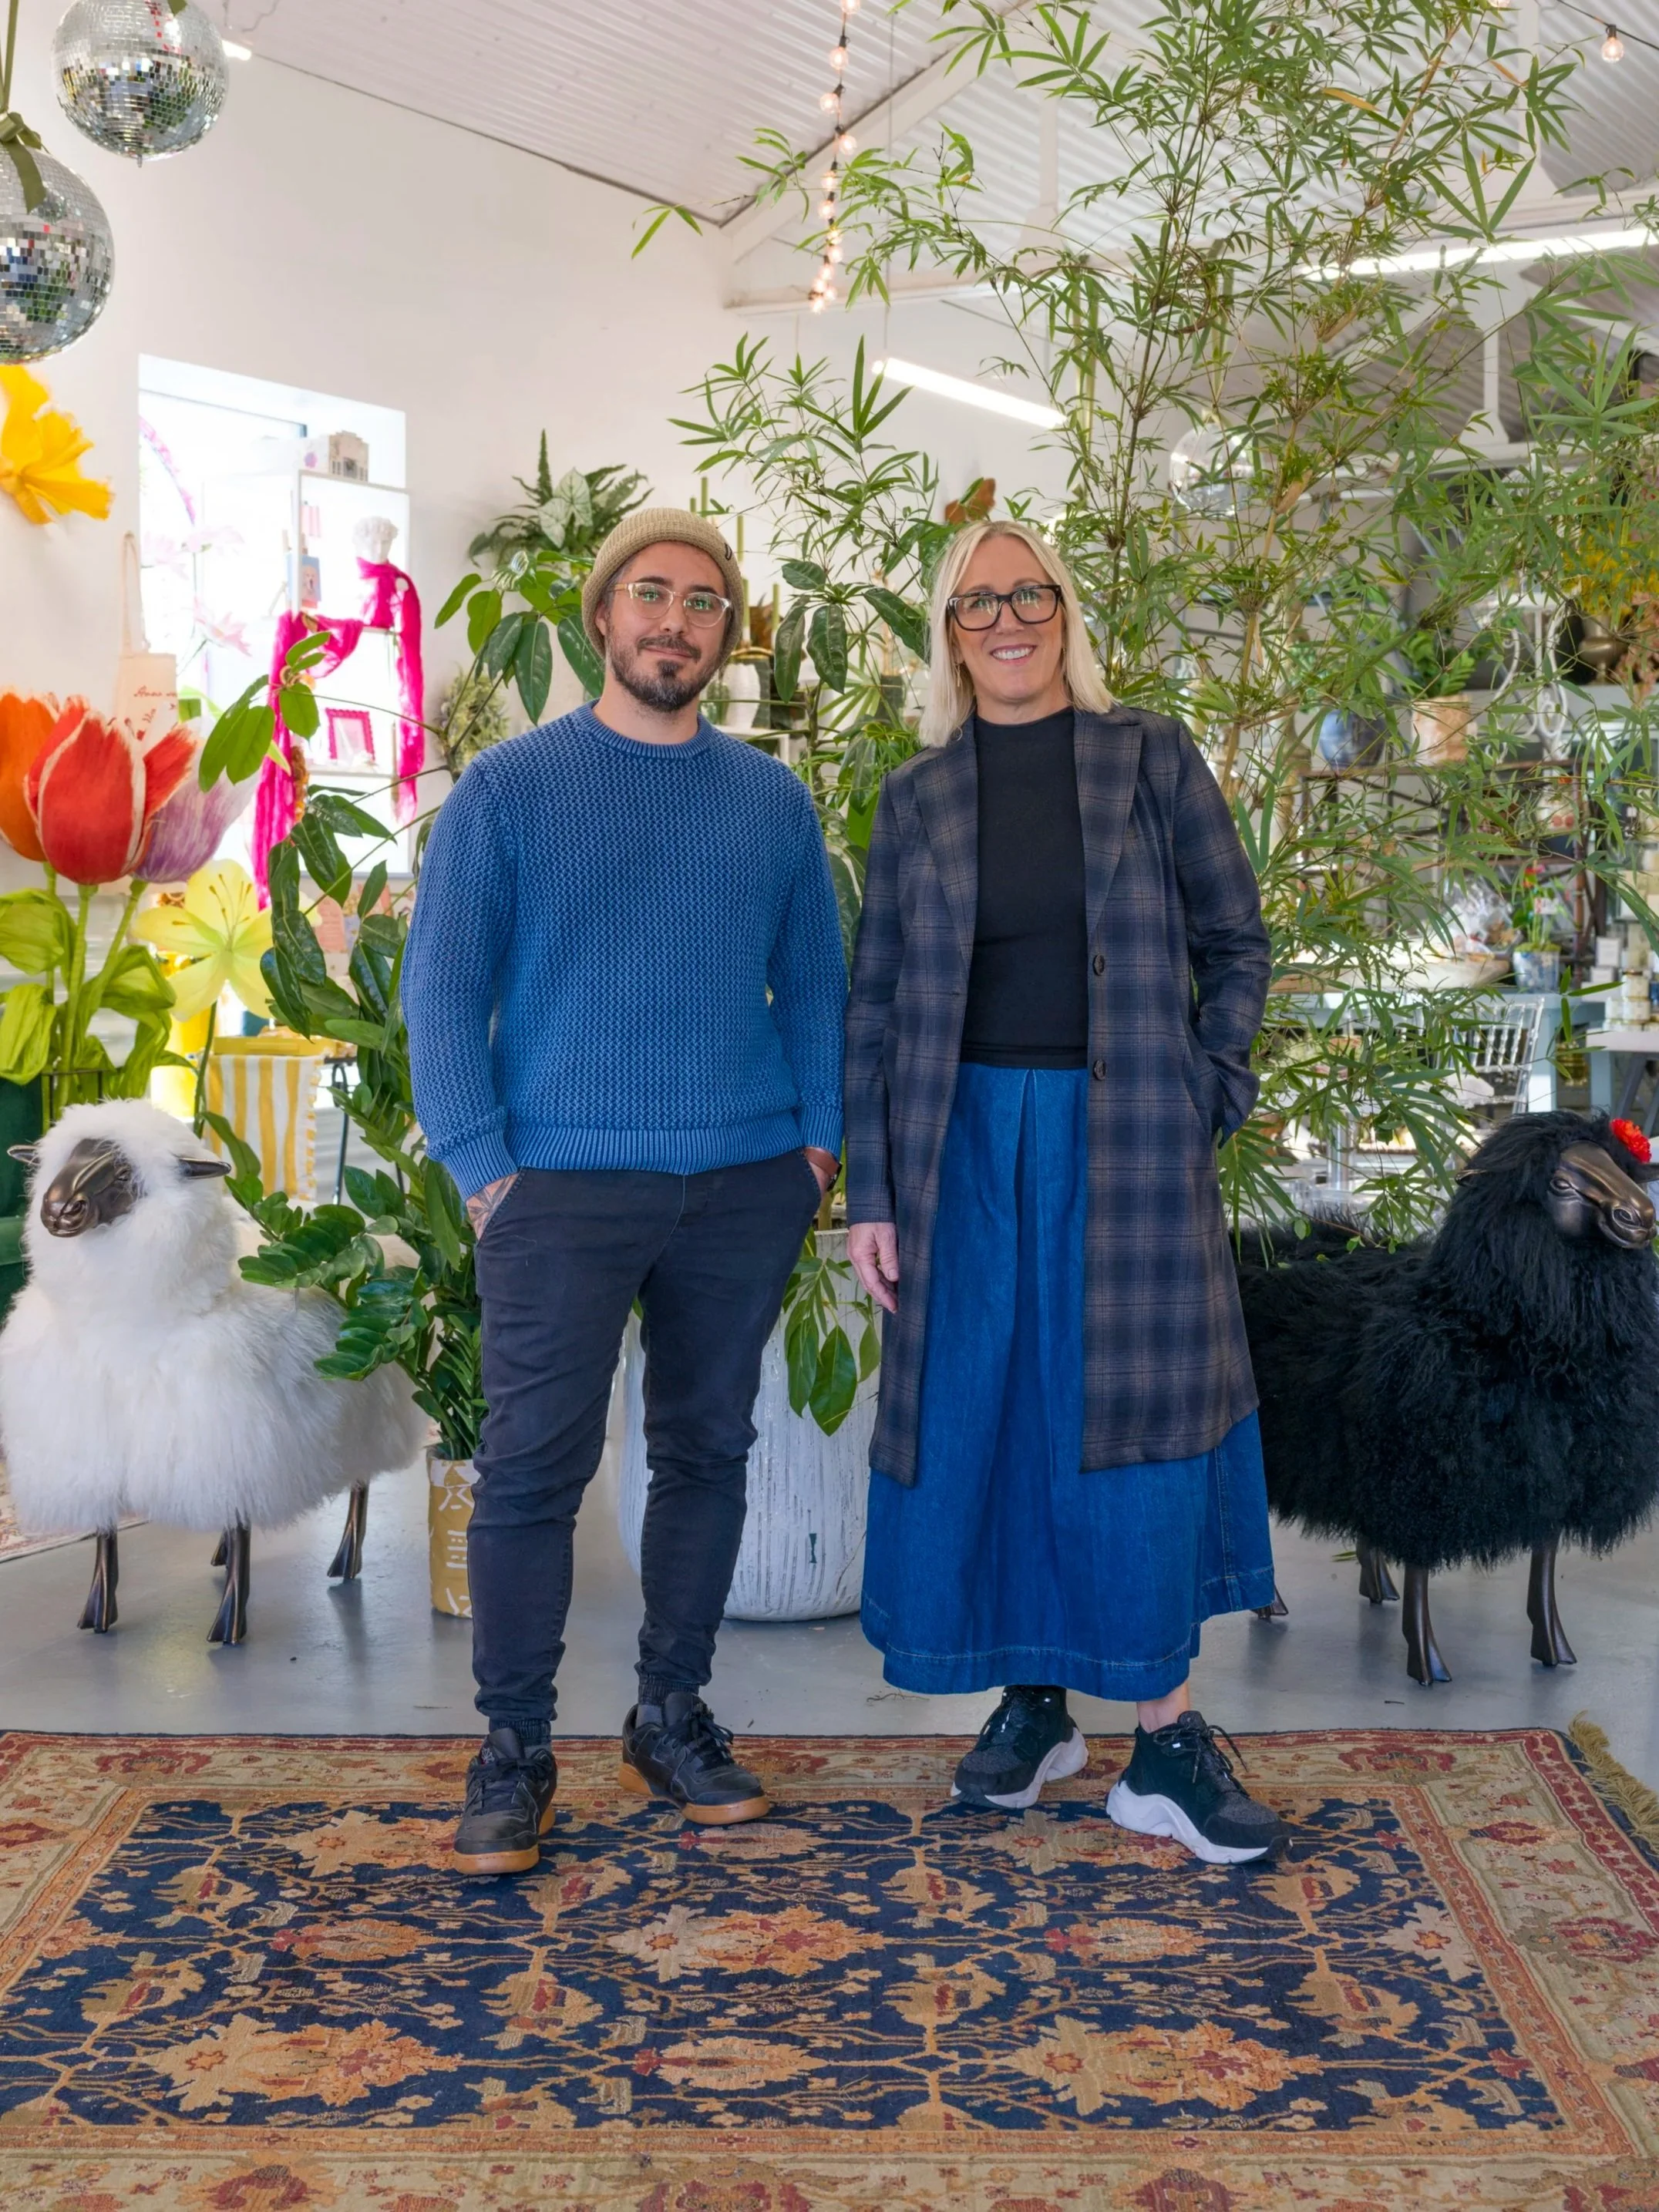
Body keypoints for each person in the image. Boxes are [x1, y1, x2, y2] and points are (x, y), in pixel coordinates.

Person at [404, 508, 846, 1875]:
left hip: (742, 1179)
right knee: (534, 1467)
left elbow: (818, 989)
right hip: (558, 1185)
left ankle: (670, 1714)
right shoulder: (508, 790)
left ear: (728, 634)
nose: (676, 620)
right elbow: (440, 989)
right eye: (651, 593)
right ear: (601, 617)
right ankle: (514, 1747)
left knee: (707, 1450)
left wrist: (816, 1148)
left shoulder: (771, 801)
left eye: (705, 602)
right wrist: (482, 1168)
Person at [843, 518, 1283, 1865]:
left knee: (1130, 1419)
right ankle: (1033, 1704)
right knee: (993, 1413)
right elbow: (874, 1004)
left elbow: (1238, 937)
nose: (1008, 619)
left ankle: (1165, 1741)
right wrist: (872, 1189)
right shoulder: (917, 796)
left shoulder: (1150, 756)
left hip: (1129, 1139)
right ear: (949, 633)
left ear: (1065, 612)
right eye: (979, 603)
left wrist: (1209, 1086)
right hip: (960, 1144)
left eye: (1030, 594)